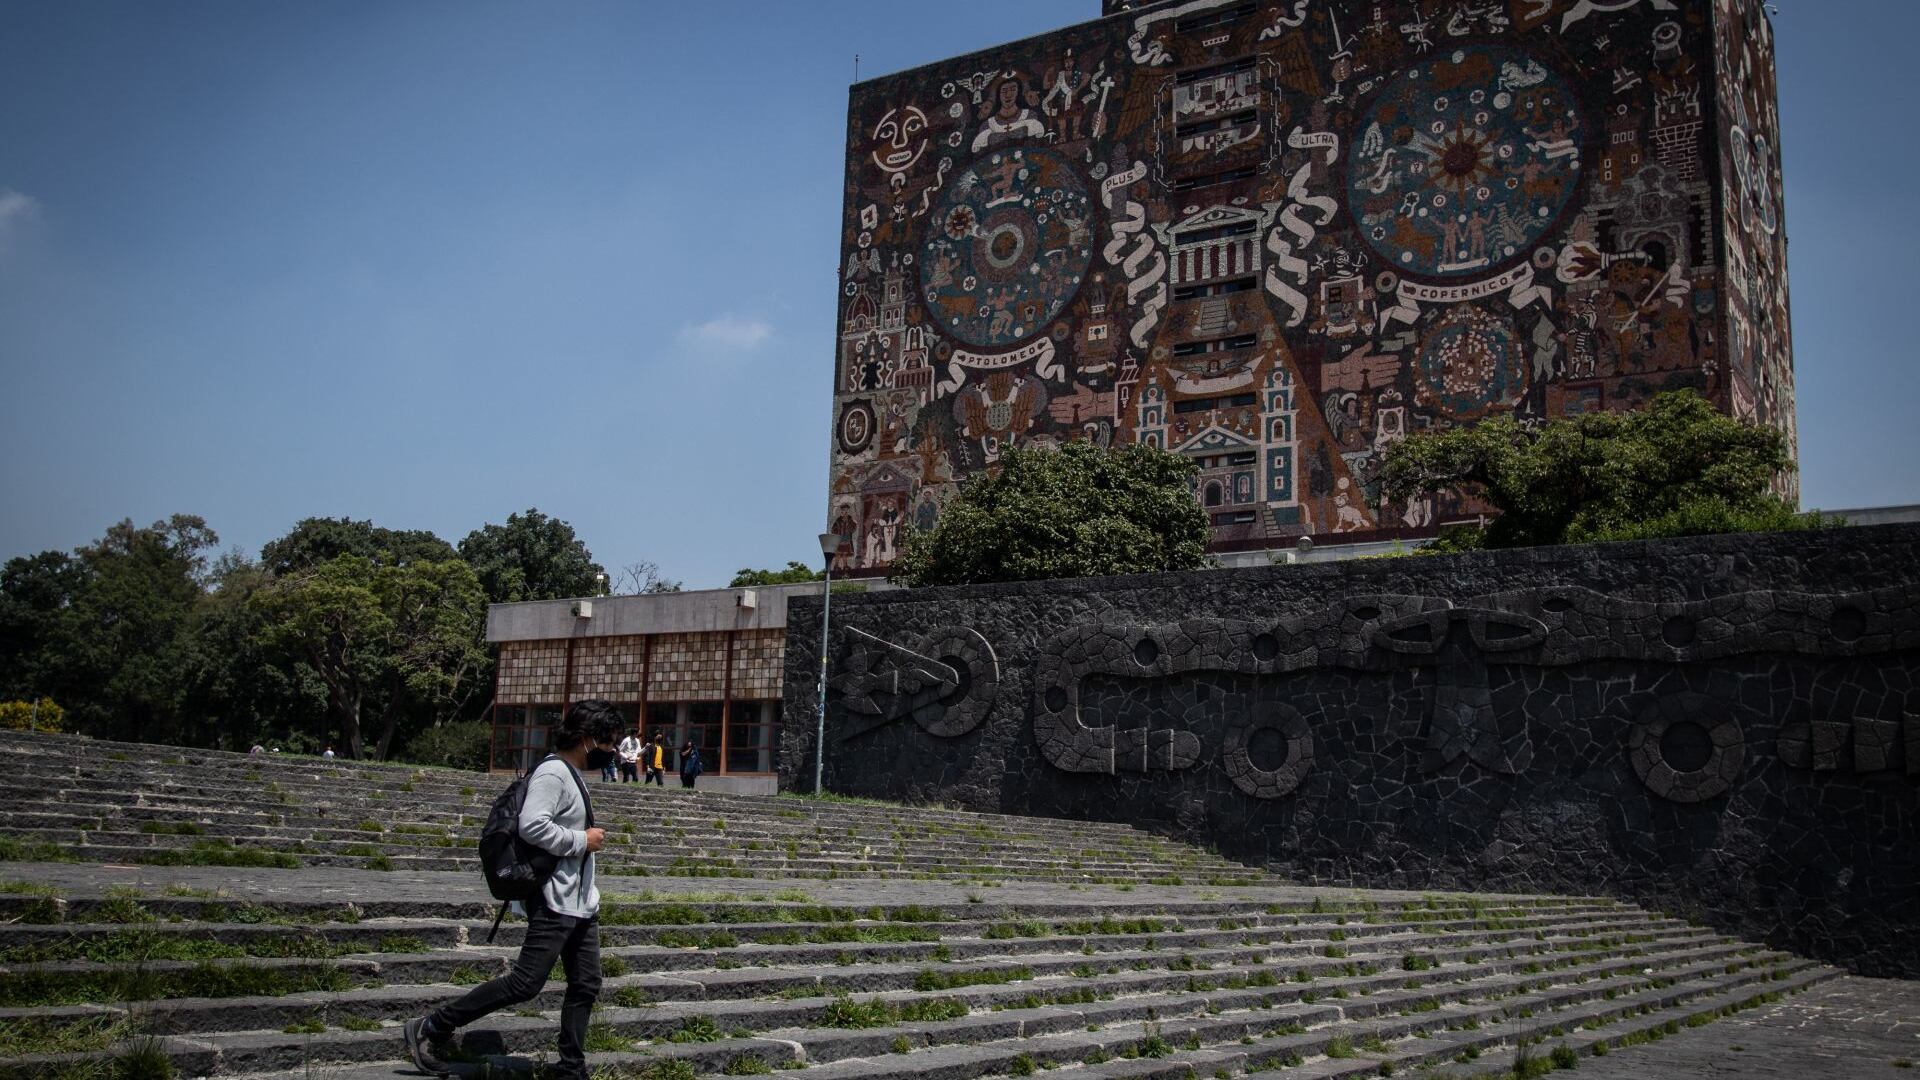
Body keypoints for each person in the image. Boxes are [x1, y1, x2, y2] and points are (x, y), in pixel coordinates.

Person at [405, 699, 620, 1080]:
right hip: (554, 899)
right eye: (607, 743)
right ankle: (432, 1026)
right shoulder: (554, 774)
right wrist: (580, 839)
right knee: (525, 982)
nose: (611, 751)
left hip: (580, 902)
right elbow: (531, 825)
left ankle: (571, 1068)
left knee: (586, 983)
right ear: (587, 738)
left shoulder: (572, 773)